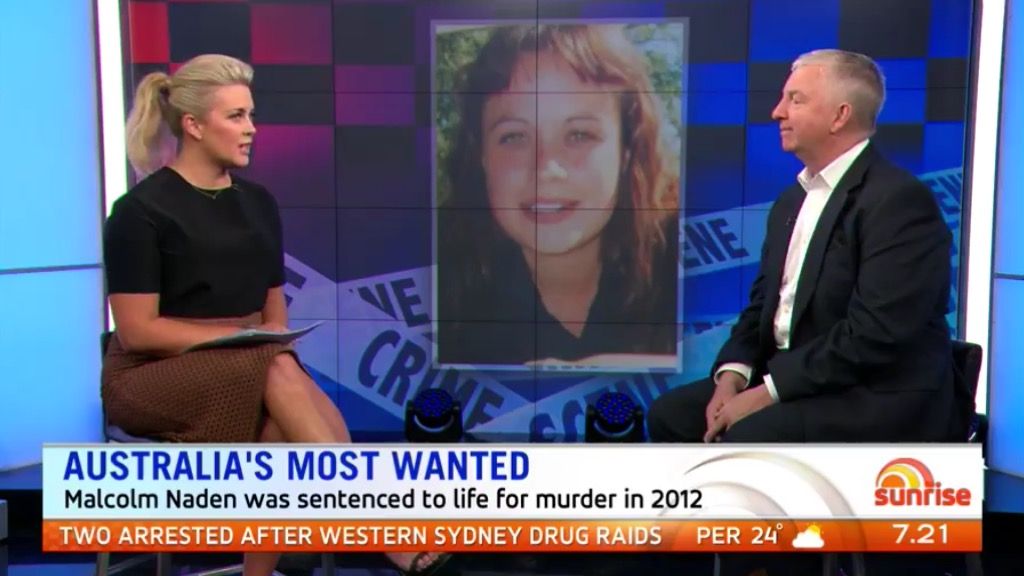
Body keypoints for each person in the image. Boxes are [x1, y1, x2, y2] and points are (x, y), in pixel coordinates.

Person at [102, 54, 449, 576]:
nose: (251, 129)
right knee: (274, 368)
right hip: (152, 375)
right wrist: (238, 339)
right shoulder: (139, 212)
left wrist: (258, 340)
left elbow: (274, 314)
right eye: (236, 116)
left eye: (251, 115)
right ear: (194, 125)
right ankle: (386, 532)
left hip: (249, 362)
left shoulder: (258, 203)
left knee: (278, 409)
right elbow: (136, 331)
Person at [646, 49, 963, 574]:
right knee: (673, 417)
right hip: (803, 382)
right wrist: (732, 379)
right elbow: (760, 309)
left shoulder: (898, 202)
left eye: (794, 99)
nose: (777, 111)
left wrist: (763, 395)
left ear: (840, 115)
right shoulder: (791, 202)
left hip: (875, 394)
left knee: (750, 437)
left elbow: (875, 335)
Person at [436, 24, 680, 370]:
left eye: (579, 134)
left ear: (627, 150)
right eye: (514, 137)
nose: (546, 168)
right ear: (481, 156)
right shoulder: (430, 276)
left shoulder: (689, 258)